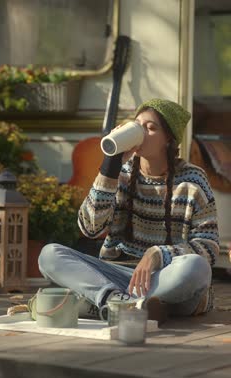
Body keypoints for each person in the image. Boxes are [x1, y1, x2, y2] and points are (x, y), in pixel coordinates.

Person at [38, 98, 219, 324]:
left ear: (169, 140)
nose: (140, 132)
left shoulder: (192, 180)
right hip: (117, 276)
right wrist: (110, 166)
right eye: (137, 124)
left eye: (150, 128)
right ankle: (120, 302)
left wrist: (158, 254)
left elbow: (208, 248)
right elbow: (90, 228)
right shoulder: (120, 172)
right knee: (50, 255)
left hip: (164, 278)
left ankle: (100, 303)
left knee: (196, 267)